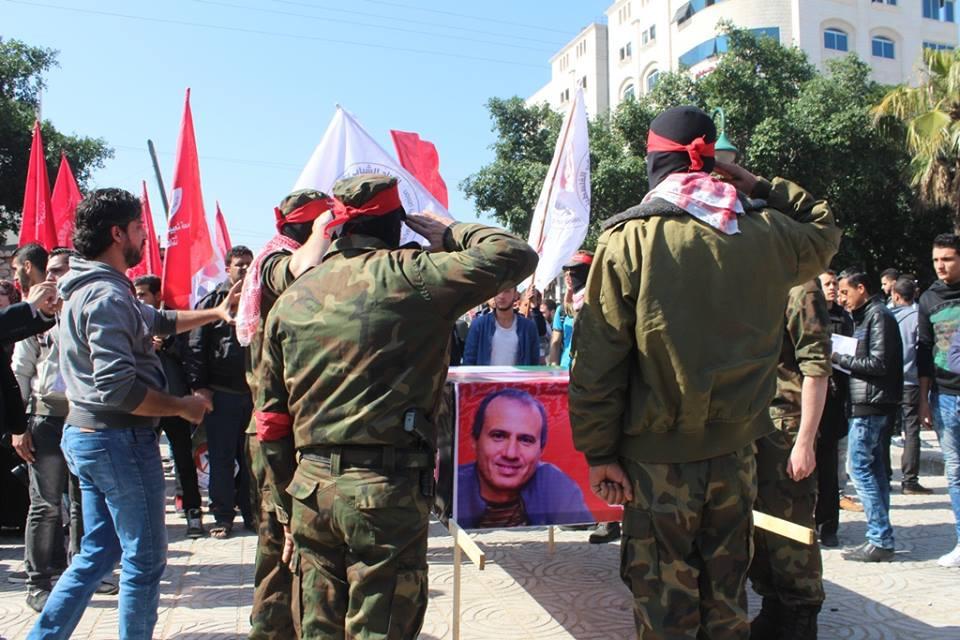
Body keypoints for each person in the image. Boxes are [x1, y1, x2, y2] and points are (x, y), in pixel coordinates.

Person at [568, 106, 840, 638]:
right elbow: (824, 227)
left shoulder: (630, 239)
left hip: (656, 462)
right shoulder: (767, 232)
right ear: (713, 160)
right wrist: (758, 184)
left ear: (654, 161)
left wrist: (599, 453)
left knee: (664, 604)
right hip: (737, 457)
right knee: (727, 597)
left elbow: (596, 364)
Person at [255, 174, 537, 639]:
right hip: (384, 494)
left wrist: (286, 508)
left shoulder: (293, 296)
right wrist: (450, 232)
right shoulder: (416, 276)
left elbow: (270, 422)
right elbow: (515, 253)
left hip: (310, 491)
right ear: (395, 224)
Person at [29, 188, 240, 640]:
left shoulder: (92, 286)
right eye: (140, 227)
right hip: (117, 441)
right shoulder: (106, 295)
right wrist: (182, 406)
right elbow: (119, 389)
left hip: (91, 436)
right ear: (117, 233)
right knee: (145, 559)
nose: (146, 235)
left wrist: (217, 312)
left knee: (97, 553)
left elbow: (158, 320)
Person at [235, 188, 334, 640]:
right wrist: (323, 232)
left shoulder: (273, 262)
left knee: (289, 542)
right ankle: (270, 630)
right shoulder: (282, 266)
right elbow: (305, 265)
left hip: (280, 426)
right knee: (282, 542)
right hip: (277, 431)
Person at [11, 248, 107, 612]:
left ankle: (84, 573)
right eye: (50, 270)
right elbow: (21, 372)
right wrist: (19, 427)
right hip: (46, 420)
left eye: (62, 270)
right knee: (46, 505)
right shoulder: (36, 317)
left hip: (85, 418)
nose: (53, 277)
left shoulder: (91, 311)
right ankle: (38, 582)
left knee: (84, 503)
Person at [749, 281, 831, 639]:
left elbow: (817, 368)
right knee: (759, 527)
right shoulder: (757, 271)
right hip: (753, 424)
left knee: (790, 527)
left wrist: (805, 442)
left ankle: (800, 616)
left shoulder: (800, 285)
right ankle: (774, 607)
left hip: (785, 427)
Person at [185, 245, 254, 539]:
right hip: (221, 395)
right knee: (222, 458)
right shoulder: (212, 303)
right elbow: (195, 347)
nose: (245, 269)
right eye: (239, 265)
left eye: (249, 264)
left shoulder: (260, 299)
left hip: (253, 395)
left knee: (252, 459)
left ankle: (252, 514)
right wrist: (200, 388)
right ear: (227, 269)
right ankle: (223, 516)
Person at [834, 270, 902, 563]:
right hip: (866, 402)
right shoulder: (864, 317)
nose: (841, 298)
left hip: (872, 404)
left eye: (845, 292)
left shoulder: (879, 316)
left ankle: (880, 538)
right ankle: (880, 537)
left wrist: (837, 357)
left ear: (861, 288)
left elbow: (878, 363)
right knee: (873, 469)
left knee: (859, 467)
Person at [456, 388, 593, 529]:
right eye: (498, 436)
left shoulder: (555, 485)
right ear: (475, 440)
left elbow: (584, 538)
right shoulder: (452, 487)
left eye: (525, 440)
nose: (511, 453)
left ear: (541, 450)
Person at [133, 275, 205, 538]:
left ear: (157, 296)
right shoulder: (131, 322)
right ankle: (146, 518)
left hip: (174, 403)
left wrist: (167, 344)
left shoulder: (175, 324)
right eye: (136, 295)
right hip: (146, 404)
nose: (139, 299)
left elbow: (191, 356)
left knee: (183, 459)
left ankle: (193, 511)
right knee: (142, 461)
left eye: (143, 294)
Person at [919, 233, 960, 568]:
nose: (940, 265)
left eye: (947, 258)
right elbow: (923, 352)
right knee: (956, 472)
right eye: (936, 260)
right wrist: (923, 400)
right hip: (944, 397)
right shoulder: (928, 299)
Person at [815, 270, 855, 548]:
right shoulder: (805, 313)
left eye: (834, 284)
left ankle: (828, 525)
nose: (832, 289)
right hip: (808, 400)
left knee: (829, 469)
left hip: (833, 400)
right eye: (827, 284)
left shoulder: (843, 318)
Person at [891, 274, 931, 495]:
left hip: (889, 381)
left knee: (885, 430)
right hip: (912, 380)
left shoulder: (887, 316)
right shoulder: (918, 317)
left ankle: (885, 476)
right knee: (912, 430)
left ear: (895, 295)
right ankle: (909, 480)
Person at [461, 285, 540, 366]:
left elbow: (534, 364)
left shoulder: (528, 328)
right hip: (485, 374)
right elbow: (468, 362)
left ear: (515, 295)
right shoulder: (479, 325)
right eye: (498, 291)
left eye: (507, 291)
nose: (501, 296)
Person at [548, 251, 592, 369]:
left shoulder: (598, 306)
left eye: (574, 272)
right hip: (565, 370)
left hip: (590, 371)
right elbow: (555, 343)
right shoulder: (562, 310)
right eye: (566, 273)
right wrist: (553, 369)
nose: (568, 277)